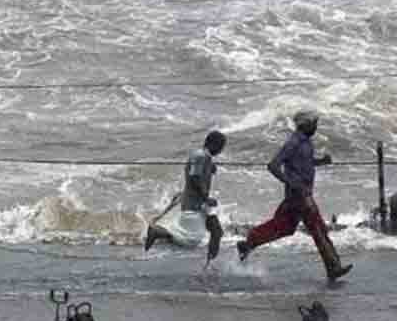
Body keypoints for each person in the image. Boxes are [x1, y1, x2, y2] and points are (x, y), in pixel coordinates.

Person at [236, 110, 353, 282]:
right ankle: (333, 267)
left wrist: (321, 161)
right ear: (304, 125)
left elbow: (305, 162)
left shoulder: (306, 142)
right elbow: (273, 165)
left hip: (299, 195)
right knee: (318, 229)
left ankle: (250, 242)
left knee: (285, 227)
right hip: (300, 196)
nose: (316, 127)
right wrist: (290, 182)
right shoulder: (293, 142)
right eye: (313, 123)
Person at [143, 130, 227, 263]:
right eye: (221, 146)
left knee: (216, 232)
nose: (221, 150)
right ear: (213, 144)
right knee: (191, 241)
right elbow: (194, 178)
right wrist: (206, 198)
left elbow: (198, 173)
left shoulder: (204, 157)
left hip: (199, 203)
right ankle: (157, 232)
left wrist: (210, 166)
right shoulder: (200, 156)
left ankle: (209, 265)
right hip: (195, 203)